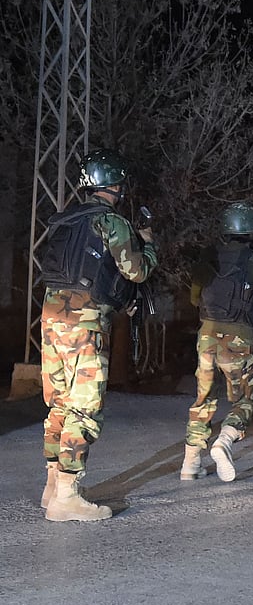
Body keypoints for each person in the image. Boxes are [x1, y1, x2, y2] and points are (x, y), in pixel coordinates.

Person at [38, 149, 158, 521]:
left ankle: (53, 485)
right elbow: (136, 271)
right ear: (116, 185)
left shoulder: (65, 220)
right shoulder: (111, 221)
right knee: (84, 406)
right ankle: (67, 497)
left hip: (51, 317)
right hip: (85, 321)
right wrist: (149, 244)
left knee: (59, 402)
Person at [180, 201, 253, 482]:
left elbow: (194, 298)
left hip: (206, 339)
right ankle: (224, 441)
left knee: (203, 398)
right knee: (248, 398)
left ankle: (190, 463)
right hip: (240, 341)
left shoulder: (207, 257)